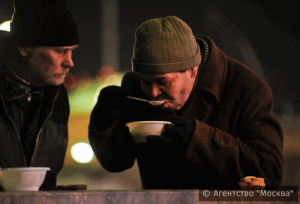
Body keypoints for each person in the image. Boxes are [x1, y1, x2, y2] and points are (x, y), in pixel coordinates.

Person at [88, 16, 283, 190]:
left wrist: (199, 138)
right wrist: (105, 121)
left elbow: (270, 171)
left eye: (163, 82)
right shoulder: (135, 88)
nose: (153, 92)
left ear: (192, 70)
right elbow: (115, 162)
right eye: (146, 81)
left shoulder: (245, 88)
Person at [0, 0, 79, 191]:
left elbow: (48, 177)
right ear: (25, 48)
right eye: (60, 51)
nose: (70, 62)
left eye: (71, 51)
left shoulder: (56, 95)